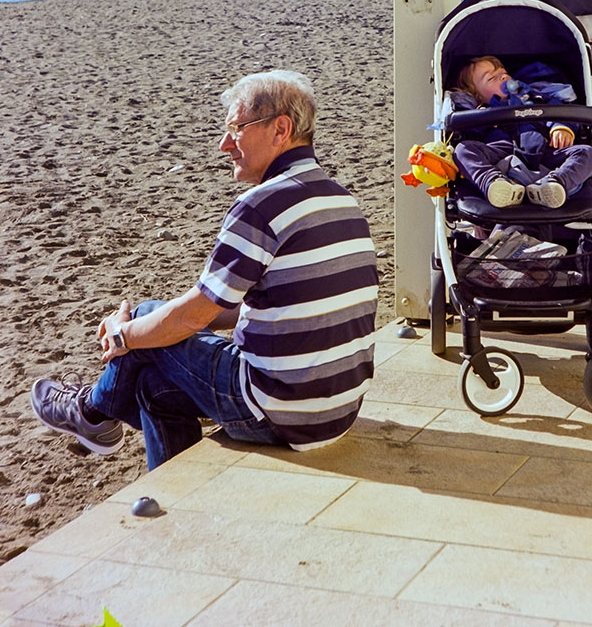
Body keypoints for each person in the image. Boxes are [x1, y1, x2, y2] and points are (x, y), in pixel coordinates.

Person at [31, 70, 378, 469]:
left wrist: (123, 334)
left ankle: (92, 411)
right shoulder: (341, 200)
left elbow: (194, 315)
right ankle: (162, 477)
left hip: (280, 409)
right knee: (152, 385)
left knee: (148, 315)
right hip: (337, 410)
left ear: (280, 129)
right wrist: (157, 329)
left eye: (236, 129)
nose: (224, 144)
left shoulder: (260, 206)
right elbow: (276, 303)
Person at [452, 56, 592, 209]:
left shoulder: (535, 96)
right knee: (463, 150)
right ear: (477, 96)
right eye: (492, 78)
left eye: (503, 72)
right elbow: (472, 136)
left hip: (546, 152)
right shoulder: (481, 112)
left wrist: (560, 127)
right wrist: (479, 119)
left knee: (587, 153)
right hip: (503, 154)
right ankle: (494, 183)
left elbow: (560, 110)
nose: (503, 77)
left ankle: (555, 183)